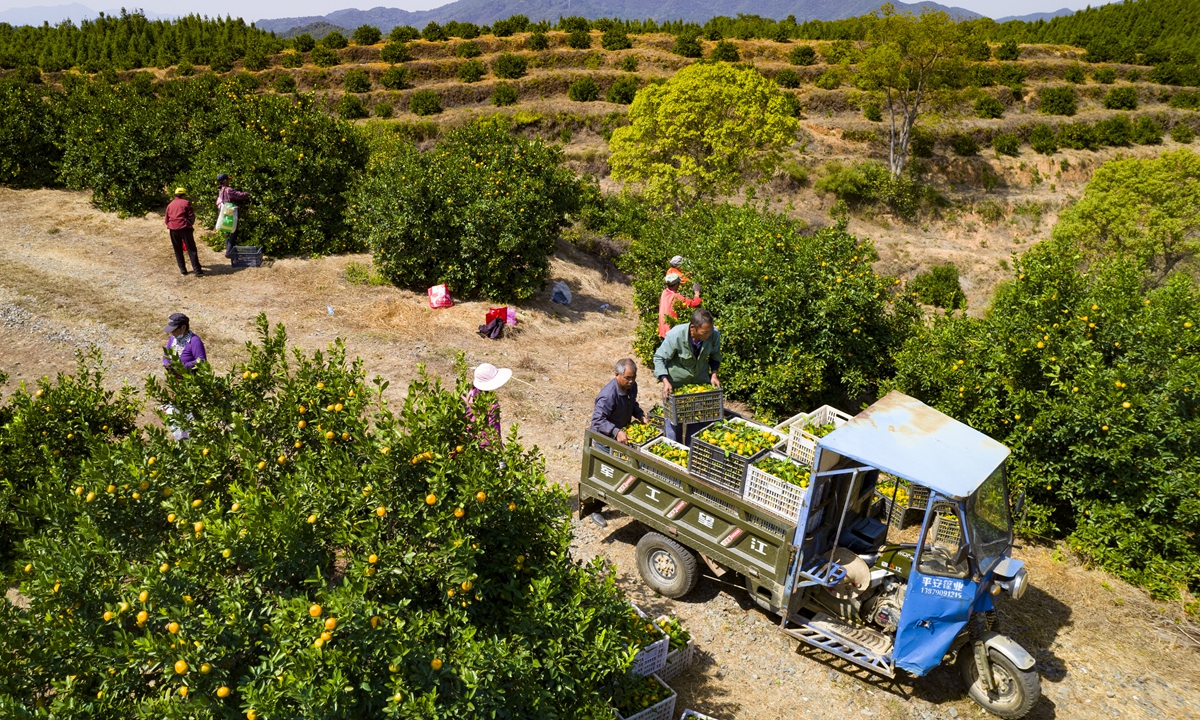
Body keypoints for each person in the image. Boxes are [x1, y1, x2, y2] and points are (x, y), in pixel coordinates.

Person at [653, 308, 721, 443]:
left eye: (710, 331)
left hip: (698, 385)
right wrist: (665, 381)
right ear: (693, 328)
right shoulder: (676, 335)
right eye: (705, 332)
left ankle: (690, 454)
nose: (708, 335)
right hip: (676, 386)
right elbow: (659, 357)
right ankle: (673, 456)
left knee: (697, 424)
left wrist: (714, 375)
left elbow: (715, 355)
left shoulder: (714, 334)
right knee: (673, 425)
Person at [161, 313, 206, 441]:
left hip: (190, 384)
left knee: (189, 414)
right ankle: (181, 440)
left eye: (174, 330)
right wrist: (167, 364)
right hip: (176, 383)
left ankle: (193, 440)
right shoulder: (173, 339)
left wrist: (183, 366)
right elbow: (167, 354)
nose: (172, 334)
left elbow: (201, 361)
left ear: (183, 328)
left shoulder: (195, 341)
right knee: (175, 413)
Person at [590, 358, 646, 444]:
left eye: (634, 377)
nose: (631, 381)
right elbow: (598, 420)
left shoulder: (631, 387)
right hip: (605, 438)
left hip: (621, 433)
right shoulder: (608, 395)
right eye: (627, 378)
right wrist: (616, 432)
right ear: (617, 374)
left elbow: (631, 403)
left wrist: (640, 416)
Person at [465, 362, 512, 449]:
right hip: (487, 447)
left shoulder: (470, 393)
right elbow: (495, 431)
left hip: (470, 442)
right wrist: (500, 454)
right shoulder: (492, 404)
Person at [165, 188, 203, 276]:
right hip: (184, 228)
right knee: (191, 249)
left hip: (173, 229)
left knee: (177, 250)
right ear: (183, 195)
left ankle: (183, 270)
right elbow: (191, 216)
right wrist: (190, 225)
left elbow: (166, 220)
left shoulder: (170, 205)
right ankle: (197, 271)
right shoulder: (186, 203)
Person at [216, 173, 251, 259]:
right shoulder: (228, 190)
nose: (229, 181)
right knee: (233, 231)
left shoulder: (221, 190)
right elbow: (239, 196)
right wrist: (247, 193)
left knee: (226, 229)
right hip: (230, 212)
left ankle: (229, 250)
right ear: (224, 181)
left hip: (224, 212)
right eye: (228, 180)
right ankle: (229, 251)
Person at [658, 272, 702, 338]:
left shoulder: (664, 292)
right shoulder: (677, 297)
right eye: (678, 283)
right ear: (676, 284)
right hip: (672, 332)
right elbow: (695, 304)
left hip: (663, 331)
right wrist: (697, 292)